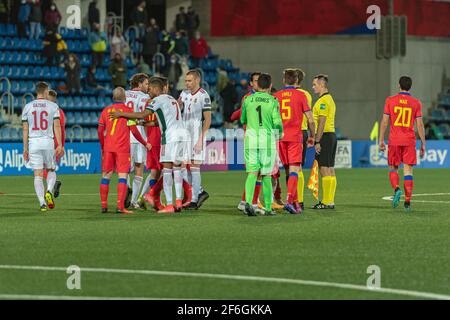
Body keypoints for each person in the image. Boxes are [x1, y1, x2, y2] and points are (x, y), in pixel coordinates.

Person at [110, 78, 191, 213]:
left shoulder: (157, 100)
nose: (148, 92)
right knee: (176, 169)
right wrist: (143, 124)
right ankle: (178, 202)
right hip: (182, 136)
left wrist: (121, 114)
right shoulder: (172, 99)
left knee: (166, 170)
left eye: (149, 90)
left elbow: (143, 114)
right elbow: (160, 122)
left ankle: (170, 205)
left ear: (155, 89)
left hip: (170, 137)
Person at [98, 87, 151, 214]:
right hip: (122, 148)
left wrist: (102, 146)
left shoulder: (106, 110)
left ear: (113, 98)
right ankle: (120, 207)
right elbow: (133, 130)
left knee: (106, 175)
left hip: (108, 147)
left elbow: (100, 131)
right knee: (123, 176)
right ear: (125, 98)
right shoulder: (128, 112)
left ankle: (104, 206)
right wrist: (145, 143)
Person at [379, 76, 426, 212]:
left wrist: (381, 140)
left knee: (393, 168)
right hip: (409, 140)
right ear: (410, 87)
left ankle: (397, 189)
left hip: (394, 140)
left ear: (399, 85)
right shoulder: (416, 103)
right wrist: (423, 143)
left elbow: (384, 122)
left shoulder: (390, 100)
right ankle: (407, 203)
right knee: (408, 171)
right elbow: (420, 125)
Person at [240, 73, 283, 216]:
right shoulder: (273, 101)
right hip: (267, 140)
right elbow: (277, 122)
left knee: (252, 173)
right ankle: (269, 208)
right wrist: (279, 133)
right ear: (270, 86)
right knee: (266, 175)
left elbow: (242, 119)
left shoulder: (248, 99)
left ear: (257, 85)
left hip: (251, 139)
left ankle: (248, 203)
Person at [273, 69, 315, 214]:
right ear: (296, 81)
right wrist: (312, 136)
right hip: (295, 137)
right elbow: (310, 118)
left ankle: (296, 203)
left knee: (287, 171)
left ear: (284, 80)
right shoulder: (301, 95)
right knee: (294, 171)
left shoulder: (276, 96)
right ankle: (290, 201)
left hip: (280, 138)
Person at [21, 82, 64, 212]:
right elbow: (57, 126)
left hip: (33, 143)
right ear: (46, 92)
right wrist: (60, 144)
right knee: (51, 170)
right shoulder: (53, 106)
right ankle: (49, 191)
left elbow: (25, 129)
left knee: (38, 175)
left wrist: (25, 148)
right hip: (48, 142)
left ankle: (42, 204)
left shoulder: (27, 107)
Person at [178, 70, 212, 209]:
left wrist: (200, 139)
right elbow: (179, 110)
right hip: (184, 132)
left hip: (196, 133)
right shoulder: (183, 94)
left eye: (189, 81)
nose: (187, 83)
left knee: (194, 167)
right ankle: (200, 192)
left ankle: (193, 200)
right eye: (186, 80)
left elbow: (208, 120)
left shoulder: (204, 96)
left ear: (197, 80)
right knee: (180, 167)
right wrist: (178, 105)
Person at [311, 74, 337, 210]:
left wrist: (317, 140)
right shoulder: (330, 99)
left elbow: (321, 122)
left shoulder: (322, 101)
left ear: (322, 85)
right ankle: (330, 201)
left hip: (325, 136)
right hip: (331, 135)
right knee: (330, 169)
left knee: (324, 169)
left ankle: (326, 202)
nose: (313, 87)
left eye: (315, 84)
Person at [124, 73, 150, 210]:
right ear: (139, 84)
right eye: (146, 84)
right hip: (139, 134)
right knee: (139, 168)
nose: (148, 86)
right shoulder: (146, 97)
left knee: (125, 169)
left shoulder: (124, 94)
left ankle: (126, 194)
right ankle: (133, 201)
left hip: (125, 135)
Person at [295, 68, 314, 210]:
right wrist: (312, 135)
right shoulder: (306, 95)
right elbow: (309, 118)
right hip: (303, 132)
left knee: (293, 168)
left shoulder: (283, 94)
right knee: (298, 167)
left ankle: (296, 199)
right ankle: (297, 200)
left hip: (290, 133)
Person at [47, 90, 64, 198]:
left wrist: (61, 145)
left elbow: (61, 130)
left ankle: (51, 187)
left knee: (42, 169)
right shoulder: (59, 112)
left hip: (51, 144)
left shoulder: (57, 112)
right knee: (47, 169)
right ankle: (53, 185)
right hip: (51, 143)